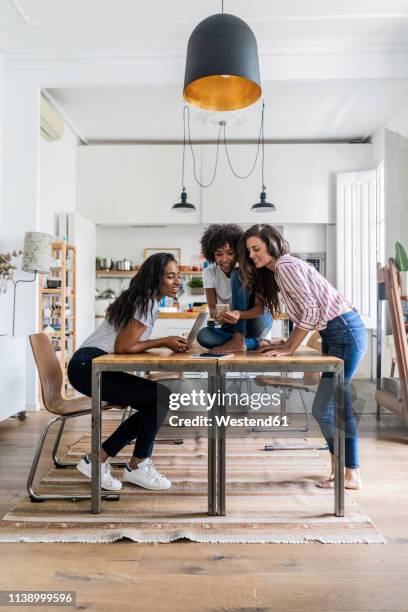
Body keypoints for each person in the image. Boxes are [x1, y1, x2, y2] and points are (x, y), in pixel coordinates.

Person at [239, 224, 368, 490]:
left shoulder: (285, 266)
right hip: (338, 332)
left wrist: (290, 348)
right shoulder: (283, 269)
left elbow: (310, 310)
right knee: (329, 407)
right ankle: (343, 469)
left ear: (271, 244)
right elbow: (310, 312)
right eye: (249, 251)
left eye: (256, 248)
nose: (252, 255)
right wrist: (286, 341)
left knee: (330, 407)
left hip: (344, 331)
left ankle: (350, 472)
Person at [67, 253, 188, 492]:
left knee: (159, 397)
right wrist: (162, 341)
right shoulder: (146, 302)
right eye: (171, 276)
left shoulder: (144, 300)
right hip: (89, 368)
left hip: (89, 365)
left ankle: (125, 462)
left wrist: (161, 343)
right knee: (161, 396)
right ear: (156, 279)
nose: (177, 282)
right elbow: (124, 347)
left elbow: (125, 346)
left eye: (178, 276)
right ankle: (124, 463)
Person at [197, 223, 272, 352]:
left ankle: (239, 339)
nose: (225, 259)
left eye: (230, 253)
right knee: (203, 336)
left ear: (238, 252)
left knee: (236, 273)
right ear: (212, 255)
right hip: (232, 324)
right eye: (219, 254)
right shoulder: (209, 273)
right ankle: (253, 343)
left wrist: (239, 315)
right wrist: (222, 316)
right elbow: (213, 310)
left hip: (255, 321)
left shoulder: (248, 270)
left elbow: (259, 309)